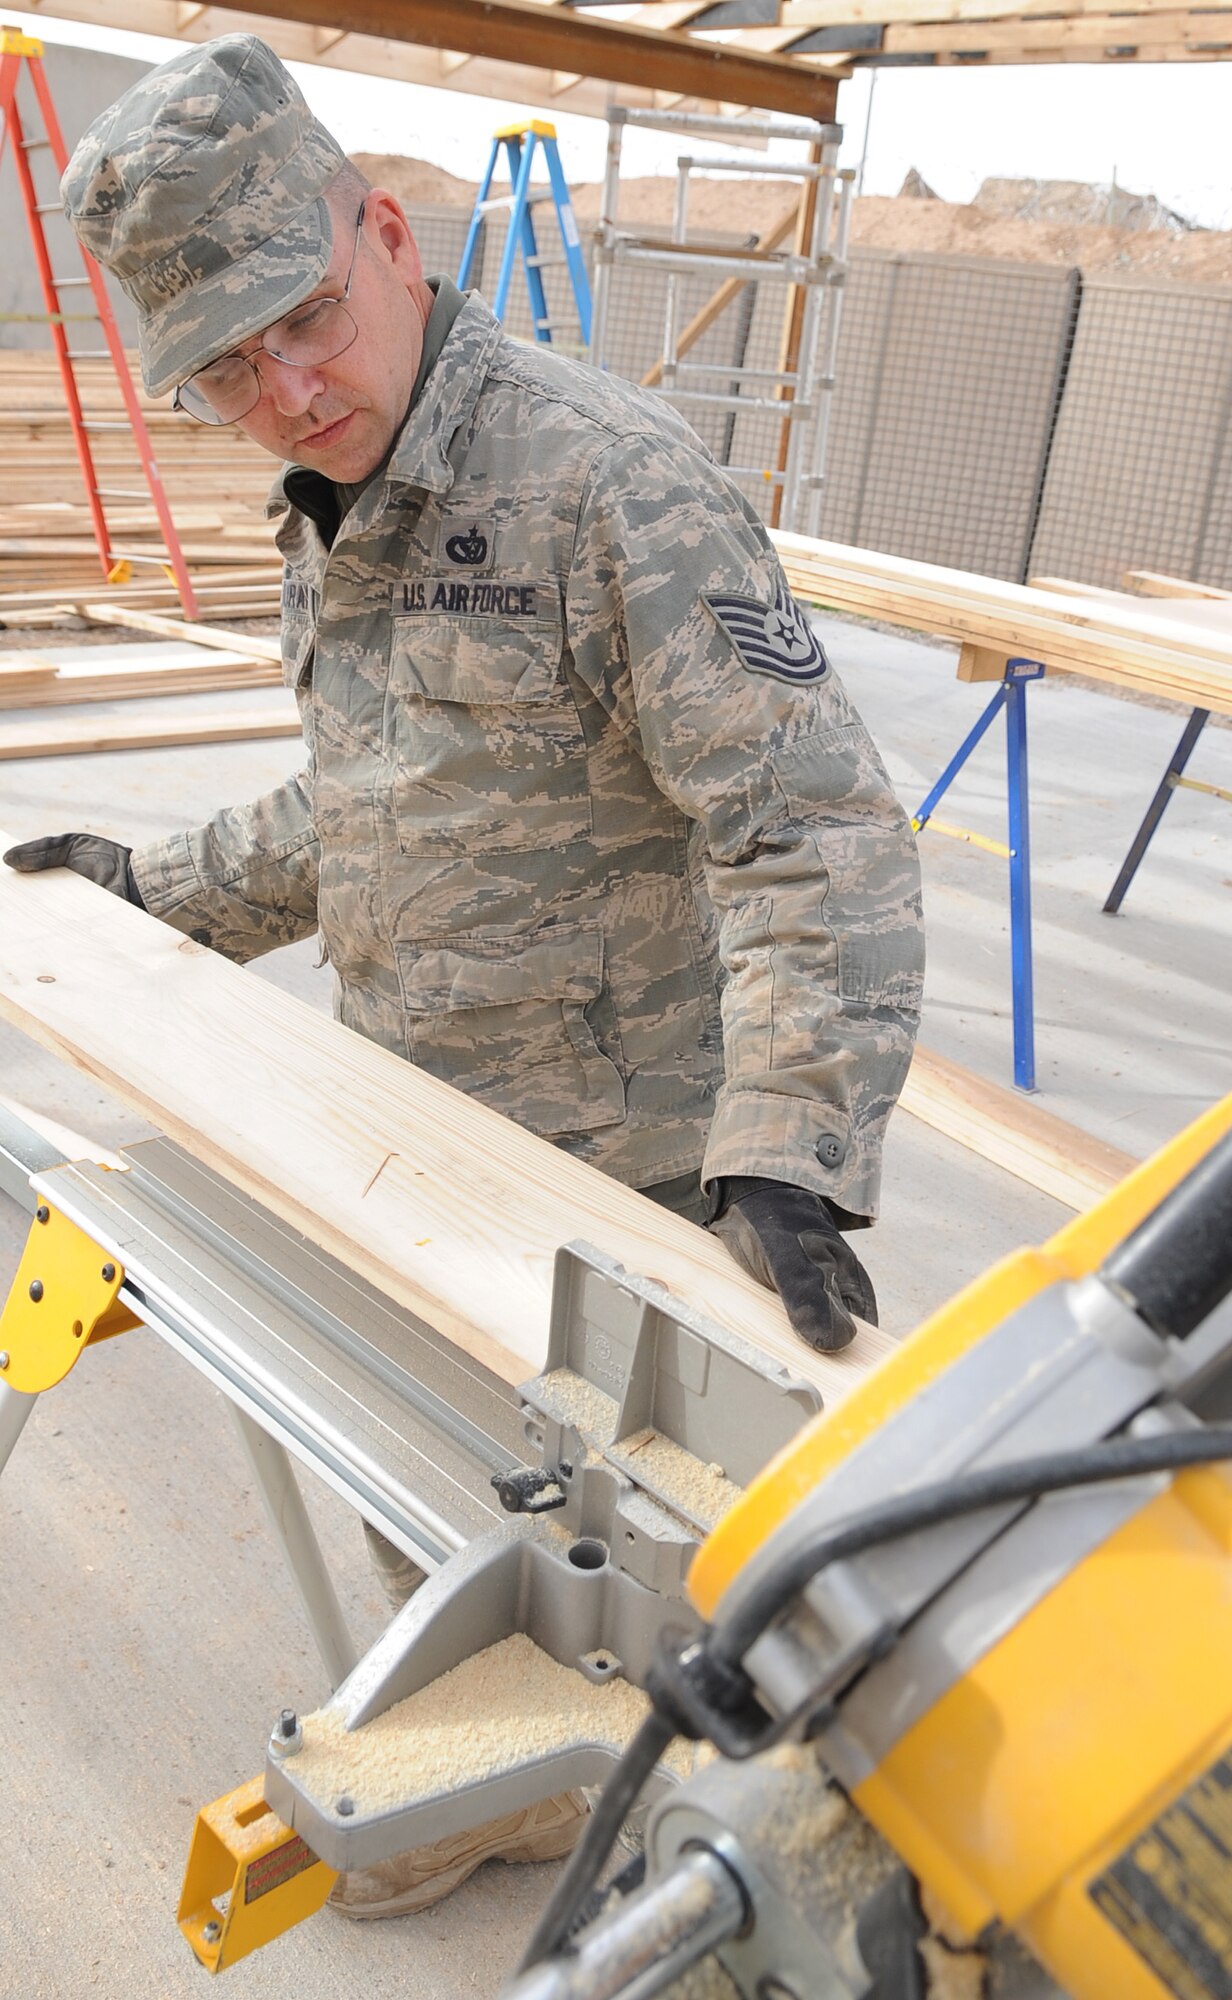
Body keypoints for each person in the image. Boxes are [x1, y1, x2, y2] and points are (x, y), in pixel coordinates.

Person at [4, 36, 924, 1919]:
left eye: (305, 322)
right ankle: (518, 1751)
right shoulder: (341, 495)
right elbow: (377, 803)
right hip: (419, 1120)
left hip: (626, 1167)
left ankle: (594, 1790)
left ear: (389, 237)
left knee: (643, 1555)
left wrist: (793, 1146)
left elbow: (812, 826)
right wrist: (148, 890)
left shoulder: (606, 485)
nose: (287, 389)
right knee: (437, 1485)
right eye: (227, 370)